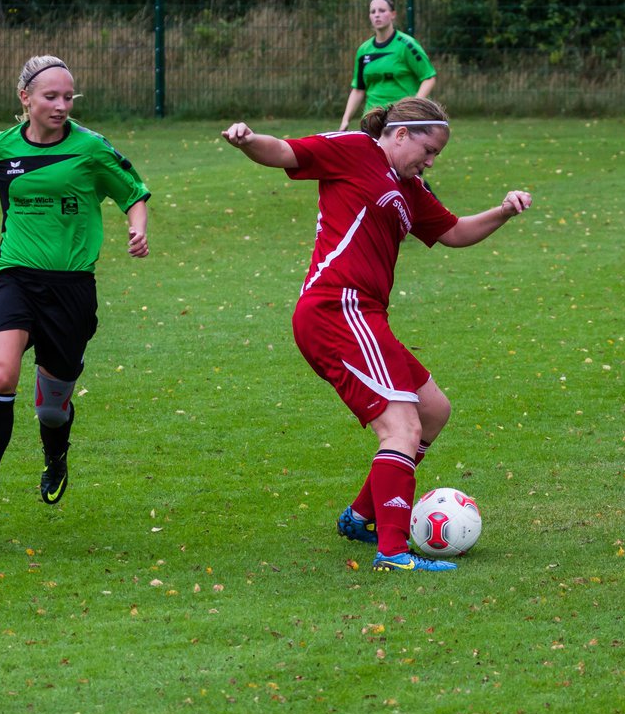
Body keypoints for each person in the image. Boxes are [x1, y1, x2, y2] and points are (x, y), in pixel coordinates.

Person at [222, 97, 531, 572]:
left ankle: (362, 517)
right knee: (401, 427)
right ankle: (393, 552)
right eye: (429, 151)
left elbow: (454, 233)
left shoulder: (411, 189)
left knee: (432, 411)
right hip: (336, 307)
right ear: (401, 134)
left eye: (437, 157)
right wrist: (247, 141)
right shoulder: (353, 149)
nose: (430, 162)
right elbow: (284, 152)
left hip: (366, 315)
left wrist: (503, 211)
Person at [0, 55, 150, 545]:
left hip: (71, 288)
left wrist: (137, 228)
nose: (61, 106)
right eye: (51, 97)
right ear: (26, 98)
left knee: (52, 410)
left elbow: (134, 191)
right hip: (12, 274)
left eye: (68, 97)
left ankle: (55, 454)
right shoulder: (0, 146)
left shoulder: (91, 148)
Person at [337, 0, 436, 132]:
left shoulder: (407, 45)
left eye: (382, 11)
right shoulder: (364, 50)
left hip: (402, 119)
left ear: (393, 14)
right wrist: (345, 120)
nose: (377, 15)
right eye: (373, 12)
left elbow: (429, 77)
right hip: (372, 119)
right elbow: (358, 89)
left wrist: (413, 108)